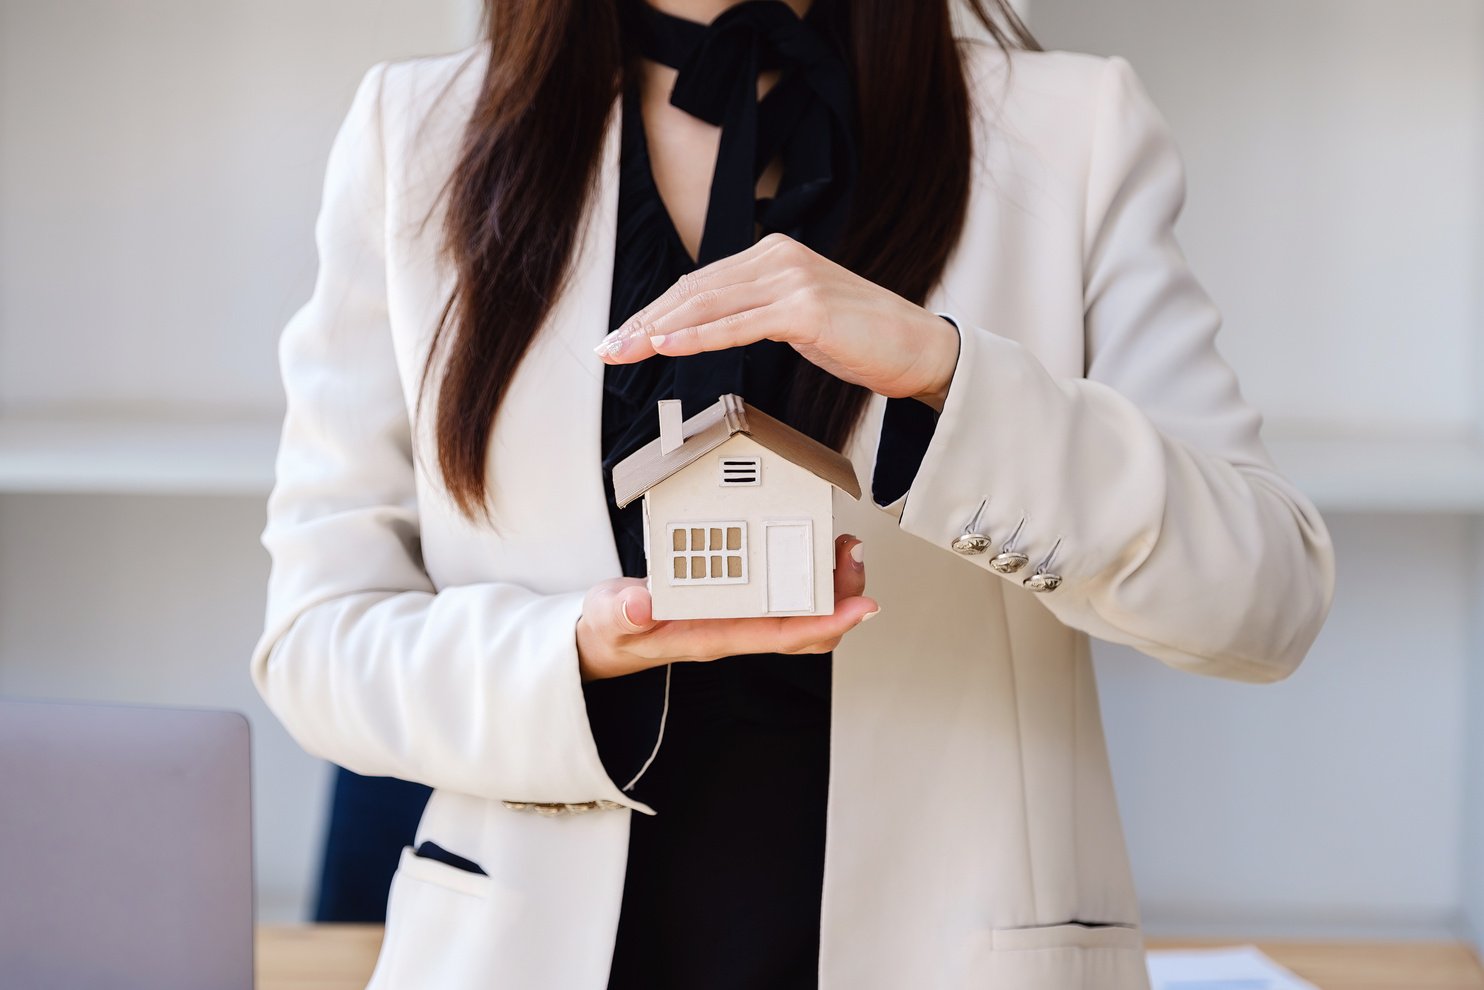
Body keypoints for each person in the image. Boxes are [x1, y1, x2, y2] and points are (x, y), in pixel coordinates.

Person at [250, 0, 1336, 987]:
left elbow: (1265, 598)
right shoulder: (418, 131)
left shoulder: (1070, 130)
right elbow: (316, 643)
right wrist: (570, 651)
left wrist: (948, 378)